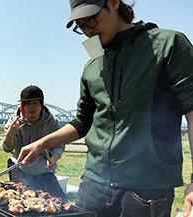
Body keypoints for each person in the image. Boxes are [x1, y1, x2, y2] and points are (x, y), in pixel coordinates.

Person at [16, 0, 193, 217]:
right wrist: (42, 143)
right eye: (81, 26)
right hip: (93, 184)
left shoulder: (168, 45)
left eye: (91, 20)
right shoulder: (92, 67)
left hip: (147, 187)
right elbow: (83, 122)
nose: (89, 31)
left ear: (114, 2)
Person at [2, 85, 66, 200]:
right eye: (27, 103)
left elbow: (59, 144)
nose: (31, 107)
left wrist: (54, 160)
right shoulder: (14, 121)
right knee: (23, 199)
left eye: (35, 103)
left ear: (42, 104)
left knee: (60, 200)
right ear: (22, 105)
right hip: (19, 166)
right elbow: (7, 148)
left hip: (44, 169)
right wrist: (10, 134)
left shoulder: (52, 122)